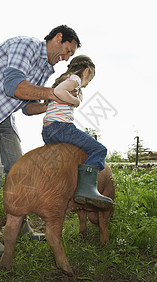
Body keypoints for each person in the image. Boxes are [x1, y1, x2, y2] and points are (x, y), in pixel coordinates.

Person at [0, 25, 81, 254]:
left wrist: (54, 104)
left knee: (19, 171)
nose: (65, 59)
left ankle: (20, 227)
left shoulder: (45, 69)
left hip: (2, 115)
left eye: (70, 56)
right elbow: (13, 85)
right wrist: (54, 93)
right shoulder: (25, 46)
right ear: (57, 38)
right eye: (67, 51)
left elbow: (27, 108)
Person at [42, 55, 113, 210]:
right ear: (86, 71)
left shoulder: (65, 79)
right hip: (62, 128)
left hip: (48, 131)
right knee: (99, 149)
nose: (86, 85)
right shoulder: (75, 79)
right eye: (89, 80)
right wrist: (76, 102)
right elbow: (59, 91)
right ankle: (86, 190)